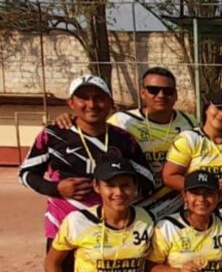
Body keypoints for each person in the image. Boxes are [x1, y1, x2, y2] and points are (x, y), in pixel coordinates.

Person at [19, 75, 153, 272]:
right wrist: (56, 188)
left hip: (113, 230)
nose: (92, 104)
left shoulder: (122, 139)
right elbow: (26, 173)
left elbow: (147, 179)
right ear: (71, 103)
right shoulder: (54, 134)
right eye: (83, 98)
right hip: (64, 228)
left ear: (110, 103)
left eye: (99, 97)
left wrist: (121, 196)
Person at [53, 67, 198, 218]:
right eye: (153, 90)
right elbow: (92, 127)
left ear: (175, 95)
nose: (161, 95)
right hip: (132, 208)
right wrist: (71, 118)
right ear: (143, 93)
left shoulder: (190, 122)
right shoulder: (122, 121)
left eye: (167, 91)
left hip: (174, 206)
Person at [163, 89, 222, 217]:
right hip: (200, 213)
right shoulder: (189, 139)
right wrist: (208, 187)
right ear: (207, 109)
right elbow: (169, 177)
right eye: (218, 108)